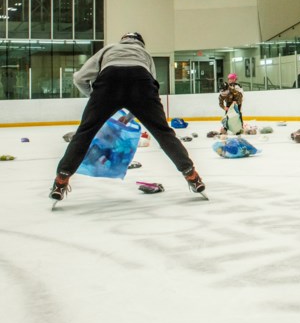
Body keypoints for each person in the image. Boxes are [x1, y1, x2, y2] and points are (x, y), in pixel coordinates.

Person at [49, 32, 205, 203]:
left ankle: (61, 180)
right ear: (141, 43)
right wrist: (132, 113)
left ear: (122, 41)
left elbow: (79, 78)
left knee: (85, 133)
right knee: (163, 133)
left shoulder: (108, 49)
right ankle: (191, 175)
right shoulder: (144, 54)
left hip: (108, 84)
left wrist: (96, 98)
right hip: (141, 83)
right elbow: (151, 87)